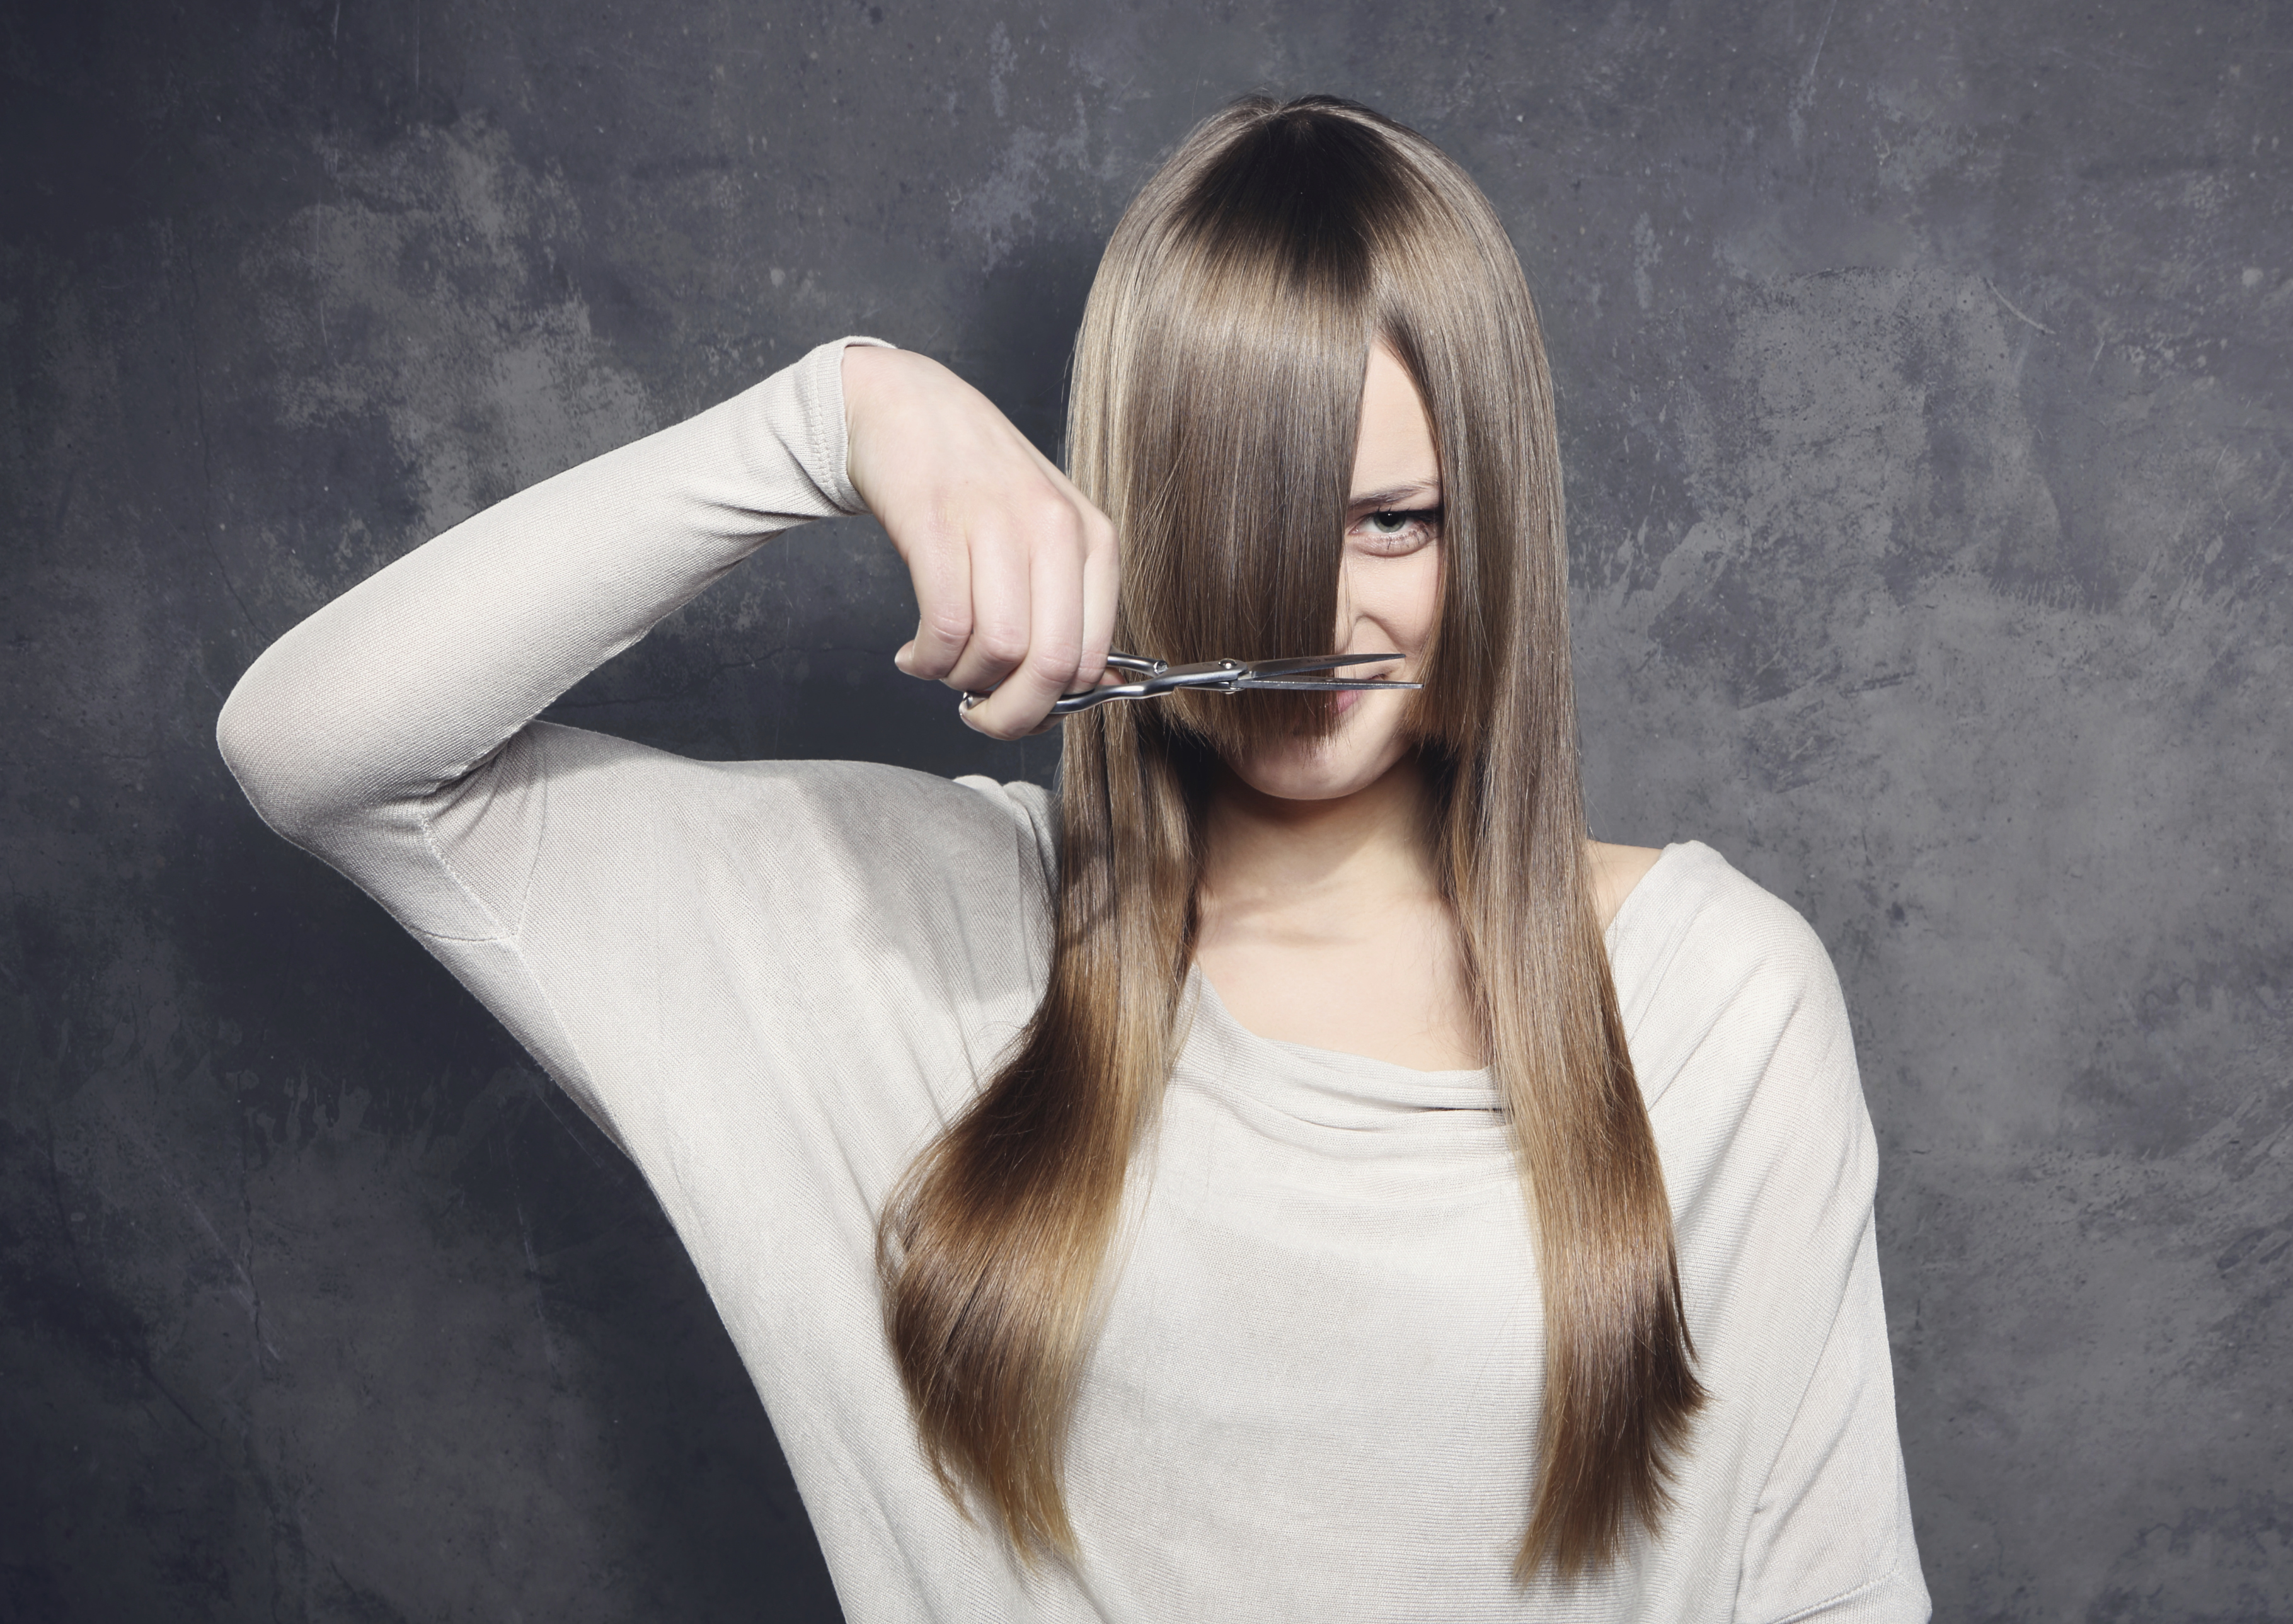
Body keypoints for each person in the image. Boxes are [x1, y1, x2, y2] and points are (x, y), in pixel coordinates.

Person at [217, 94, 1929, 1622]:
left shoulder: (1714, 1003)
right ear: (1110, 517)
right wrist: (834, 416)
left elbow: (1834, 1593)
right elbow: (317, 756)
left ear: (1491, 523)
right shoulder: (899, 936)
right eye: (1229, 511)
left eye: (1389, 519)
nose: (1304, 603)